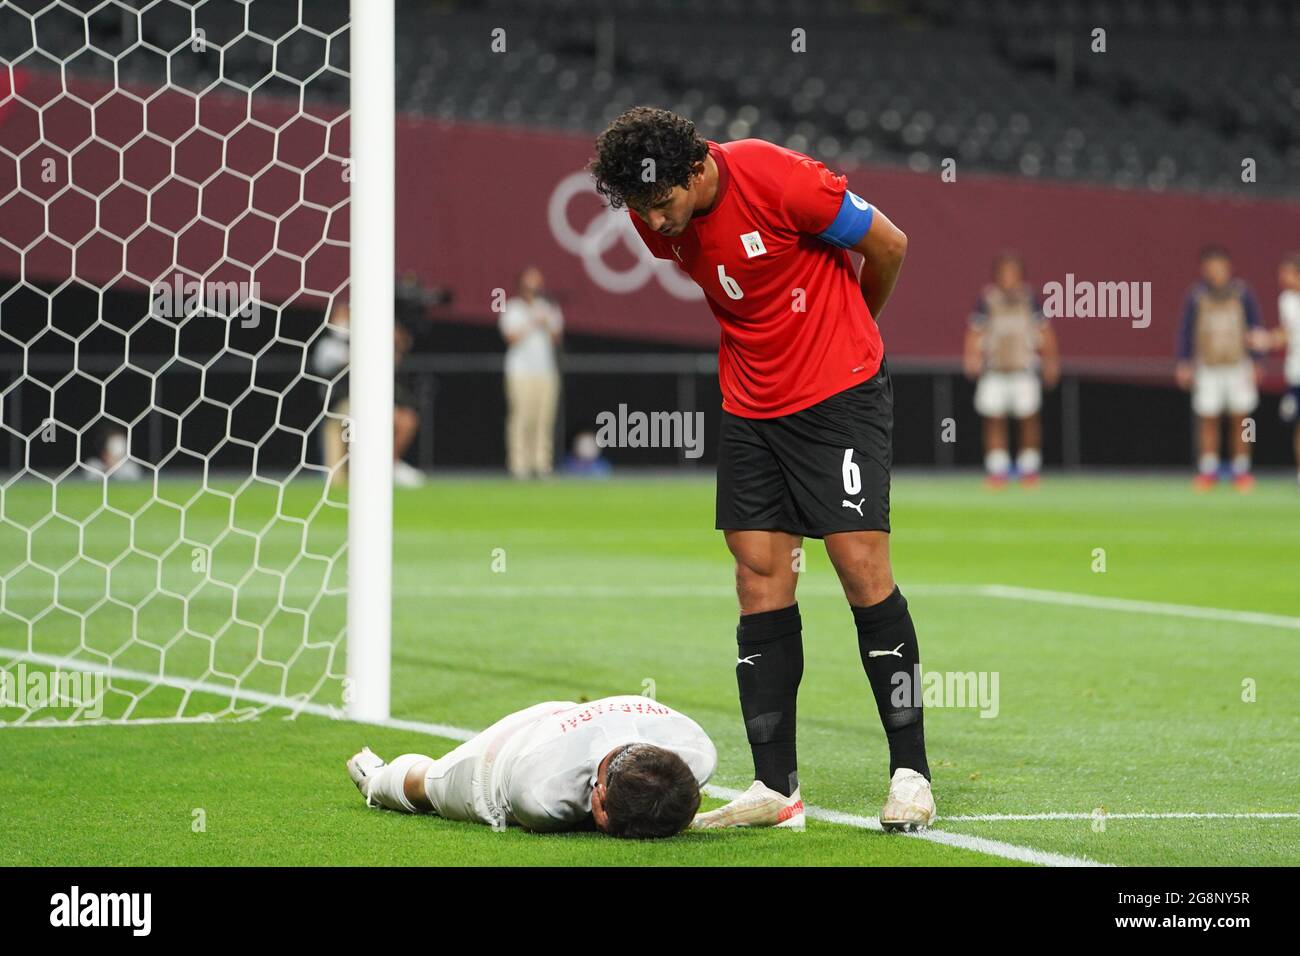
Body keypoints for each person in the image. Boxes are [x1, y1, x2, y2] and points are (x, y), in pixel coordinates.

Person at [589, 106, 935, 832]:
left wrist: (851, 328)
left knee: (861, 568)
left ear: (694, 167)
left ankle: (911, 773)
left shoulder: (782, 180)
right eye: (642, 208)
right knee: (756, 577)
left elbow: (891, 245)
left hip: (839, 395)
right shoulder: (657, 217)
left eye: (663, 201)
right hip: (751, 404)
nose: (655, 220)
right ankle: (776, 789)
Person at [346, 695, 716, 838]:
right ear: (598, 799)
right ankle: (376, 778)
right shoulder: (540, 797)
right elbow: (590, 825)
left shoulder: (696, 749)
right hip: (498, 763)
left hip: (571, 719)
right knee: (425, 784)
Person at [963, 253, 1059, 488]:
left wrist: (1050, 362)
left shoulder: (1030, 299)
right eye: (1004, 273)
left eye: (1013, 273)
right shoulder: (988, 300)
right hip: (995, 370)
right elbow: (975, 330)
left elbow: (1045, 332)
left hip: (1023, 370)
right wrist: (972, 357)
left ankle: (1029, 469)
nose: (1009, 278)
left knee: (1028, 419)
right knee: (994, 418)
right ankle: (998, 469)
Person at [1175, 246, 1264, 492]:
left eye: (1219, 266)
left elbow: (1255, 328)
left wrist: (1257, 361)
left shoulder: (1242, 293)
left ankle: (1243, 468)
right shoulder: (1196, 295)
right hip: (1209, 366)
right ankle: (1208, 468)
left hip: (1238, 365)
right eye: (1210, 267)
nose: (1215, 272)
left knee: (1244, 420)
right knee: (1208, 418)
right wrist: (1184, 361)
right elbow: (1185, 331)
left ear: (1228, 267)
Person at [311, 300, 425, 488]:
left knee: (406, 420)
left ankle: (389, 464)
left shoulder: (367, 339)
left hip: (371, 403)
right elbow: (329, 363)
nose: (345, 319)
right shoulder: (329, 345)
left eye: (347, 314)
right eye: (341, 315)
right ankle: (368, 468)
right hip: (340, 405)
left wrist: (393, 343)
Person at [500, 267, 563, 479]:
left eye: (536, 283)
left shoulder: (548, 308)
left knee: (544, 418)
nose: (533, 287)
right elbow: (510, 338)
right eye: (529, 283)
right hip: (519, 371)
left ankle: (542, 465)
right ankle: (519, 466)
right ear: (521, 285)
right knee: (521, 418)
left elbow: (557, 339)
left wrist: (546, 322)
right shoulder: (512, 308)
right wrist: (532, 322)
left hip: (545, 371)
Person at [1249, 251, 1300, 486]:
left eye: (1286, 273)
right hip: (1296, 373)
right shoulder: (1287, 300)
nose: (1282, 278)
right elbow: (1286, 334)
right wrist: (1266, 340)